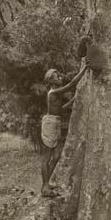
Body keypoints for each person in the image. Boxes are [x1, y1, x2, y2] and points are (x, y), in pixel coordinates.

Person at [40, 64, 87, 197]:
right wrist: (84, 69)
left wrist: (73, 100)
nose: (60, 77)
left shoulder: (55, 93)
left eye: (59, 75)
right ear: (50, 81)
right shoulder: (53, 92)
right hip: (50, 124)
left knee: (56, 156)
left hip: (55, 122)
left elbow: (60, 109)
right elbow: (71, 85)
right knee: (46, 158)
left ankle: (46, 183)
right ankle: (44, 187)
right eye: (57, 76)